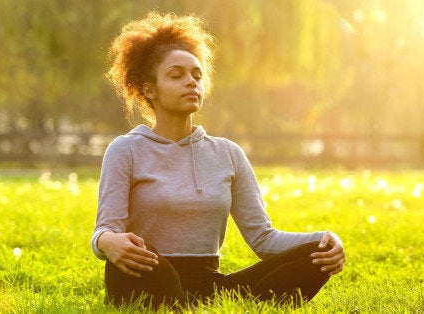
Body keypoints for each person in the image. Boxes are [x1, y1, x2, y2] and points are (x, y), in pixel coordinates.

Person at [91, 11, 345, 309]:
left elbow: (263, 238)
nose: (191, 82)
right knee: (147, 267)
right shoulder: (125, 150)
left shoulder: (228, 153)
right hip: (147, 273)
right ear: (150, 89)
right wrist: (108, 242)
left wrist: (326, 239)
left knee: (316, 253)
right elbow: (104, 230)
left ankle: (188, 306)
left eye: (197, 75)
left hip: (210, 285)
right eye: (177, 75)